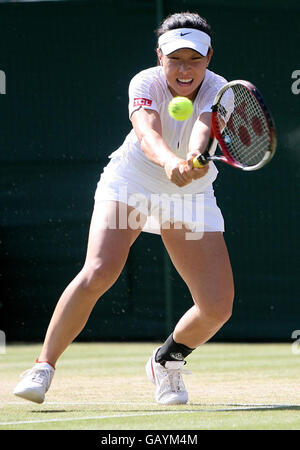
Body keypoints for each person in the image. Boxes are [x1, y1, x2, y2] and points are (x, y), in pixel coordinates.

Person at [13, 11, 234, 405]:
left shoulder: (222, 92)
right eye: (175, 58)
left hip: (189, 195)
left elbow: (203, 128)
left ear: (210, 57)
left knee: (216, 308)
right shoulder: (144, 82)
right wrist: (170, 163)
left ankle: (167, 361)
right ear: (159, 56)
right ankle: (43, 366)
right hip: (132, 182)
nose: (185, 69)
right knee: (99, 270)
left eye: (194, 59)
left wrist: (194, 157)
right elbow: (146, 129)